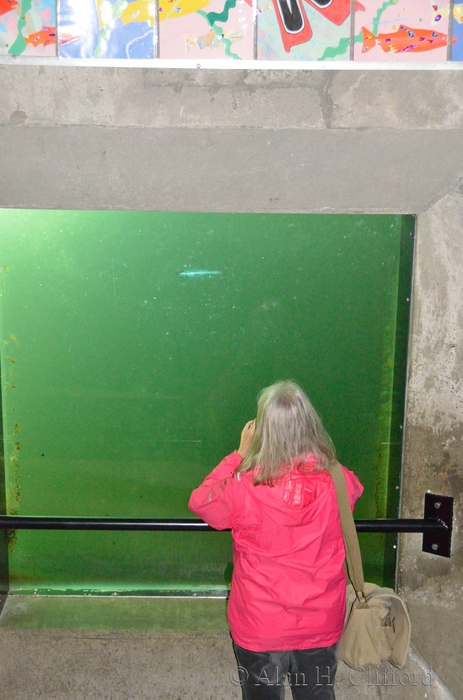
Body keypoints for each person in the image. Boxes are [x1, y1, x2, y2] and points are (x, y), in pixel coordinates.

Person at [188, 380, 364, 700]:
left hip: (260, 623)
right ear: (309, 425)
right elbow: (354, 491)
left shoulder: (243, 486)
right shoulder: (337, 480)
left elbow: (203, 502)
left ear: (261, 430)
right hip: (320, 621)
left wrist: (238, 455)